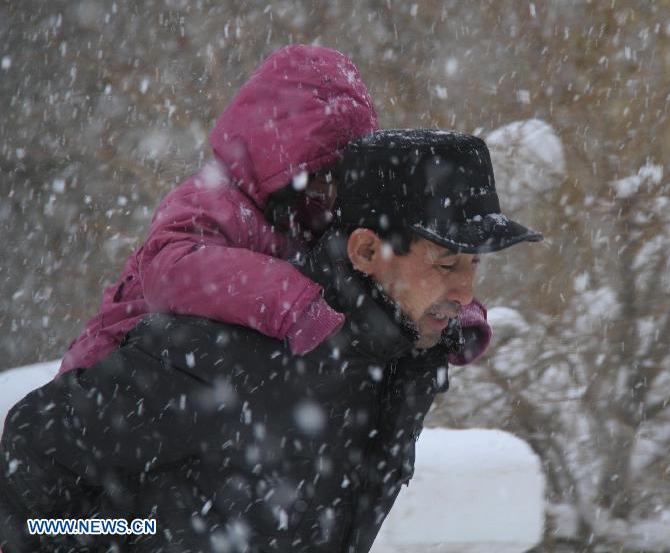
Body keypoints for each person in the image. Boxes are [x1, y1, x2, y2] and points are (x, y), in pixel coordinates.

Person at [0, 129, 542, 552]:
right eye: (447, 262)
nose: (466, 288)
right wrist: (134, 532)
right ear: (366, 252)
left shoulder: (403, 364)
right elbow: (32, 450)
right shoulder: (230, 354)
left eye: (474, 264)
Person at [58, 44, 493, 375]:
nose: (331, 191)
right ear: (280, 158)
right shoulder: (215, 199)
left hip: (199, 390)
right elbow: (171, 267)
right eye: (320, 174)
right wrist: (292, 302)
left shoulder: (316, 217)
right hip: (112, 373)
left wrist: (452, 315)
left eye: (342, 177)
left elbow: (398, 267)